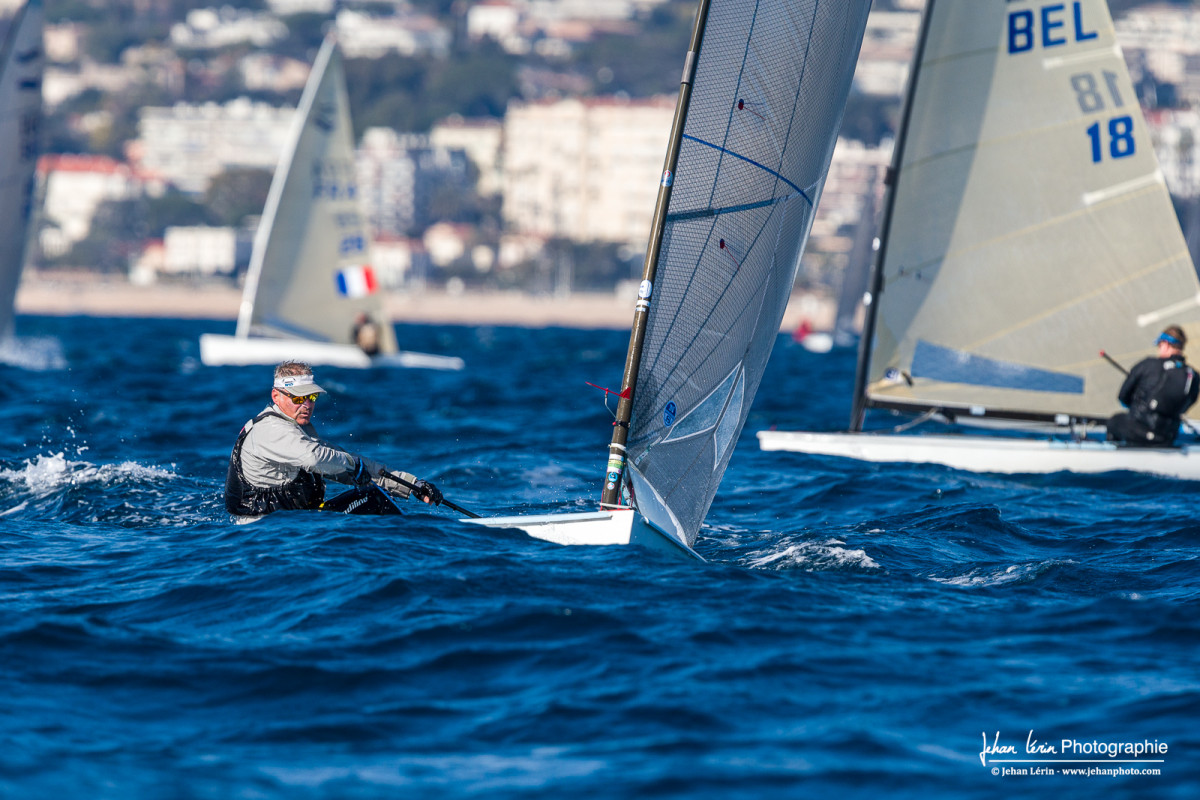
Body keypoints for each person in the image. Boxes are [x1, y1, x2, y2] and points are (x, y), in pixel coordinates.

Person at [225, 361, 442, 515]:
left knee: (372, 491)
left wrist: (413, 485)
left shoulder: (296, 430)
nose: (307, 405)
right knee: (373, 498)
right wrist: (351, 464)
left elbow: (348, 465)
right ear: (276, 396)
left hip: (289, 529)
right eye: (299, 397)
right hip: (266, 535)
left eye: (312, 397)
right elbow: (316, 459)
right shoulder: (271, 429)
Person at [1106, 325, 1199, 447]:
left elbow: (1123, 397)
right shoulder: (1193, 375)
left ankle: (1119, 453)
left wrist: (1136, 403)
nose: (1159, 350)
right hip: (1168, 436)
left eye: (1159, 346)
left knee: (1114, 421)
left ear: (1165, 344)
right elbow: (1186, 405)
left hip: (1140, 432)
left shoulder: (1148, 364)